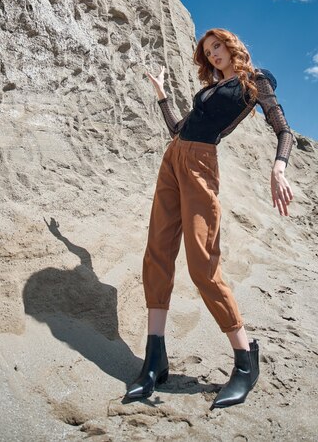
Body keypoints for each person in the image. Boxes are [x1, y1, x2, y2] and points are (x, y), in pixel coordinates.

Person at [125, 28, 294, 409]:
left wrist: (279, 168)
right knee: (157, 253)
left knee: (202, 265)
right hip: (174, 157)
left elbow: (283, 129)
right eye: (207, 51)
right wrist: (161, 93)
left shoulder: (256, 81)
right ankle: (155, 358)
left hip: (201, 164)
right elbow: (177, 129)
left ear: (232, 45)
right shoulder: (211, 90)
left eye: (218, 46)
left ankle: (246, 360)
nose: (214, 54)